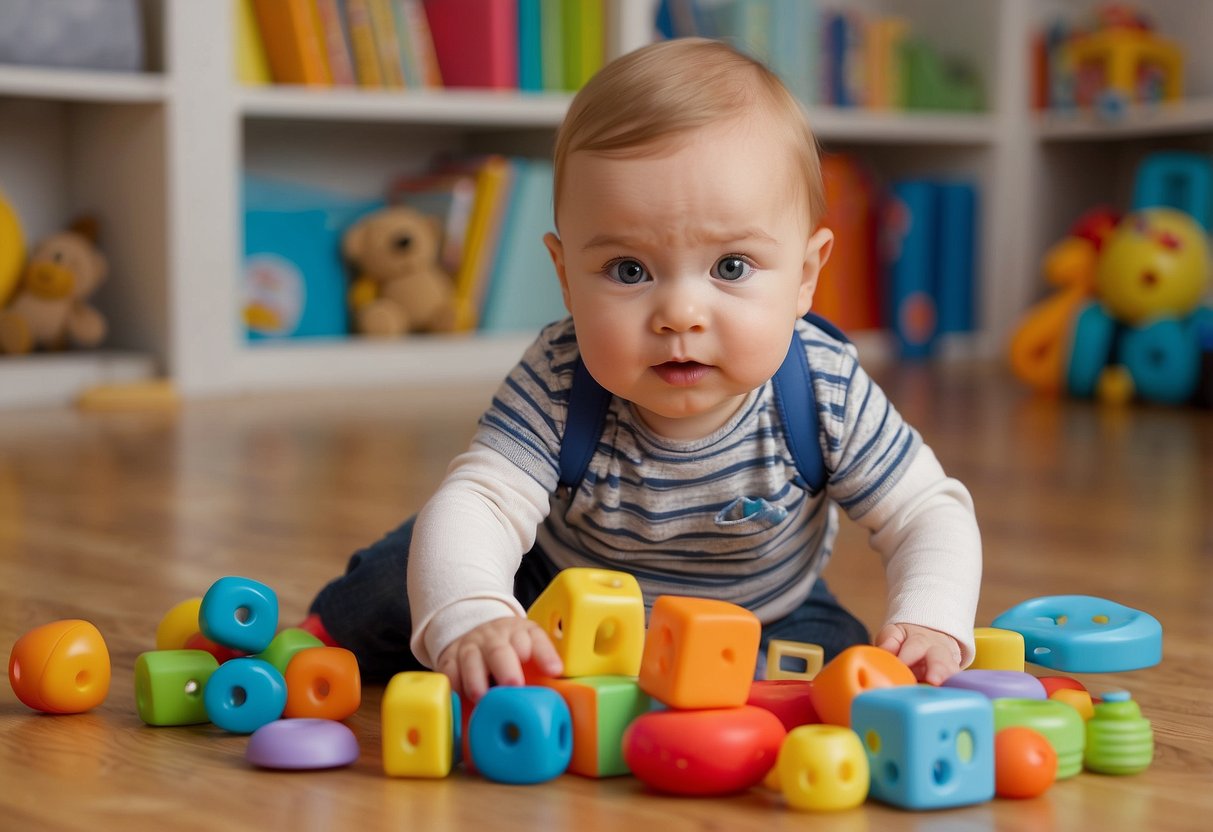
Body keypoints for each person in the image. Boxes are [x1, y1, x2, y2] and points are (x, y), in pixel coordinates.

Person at [303, 38, 982, 701]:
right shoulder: (560, 378)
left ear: (805, 277)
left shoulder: (822, 387)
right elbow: (480, 500)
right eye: (629, 270)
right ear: (567, 278)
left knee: (842, 669)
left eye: (731, 267)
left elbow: (925, 511)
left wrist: (930, 618)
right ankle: (315, 640)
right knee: (411, 568)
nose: (679, 313)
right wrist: (476, 616)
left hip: (765, 614)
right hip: (557, 593)